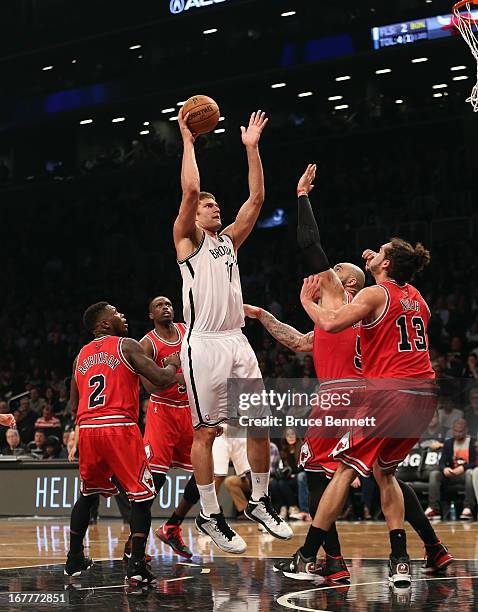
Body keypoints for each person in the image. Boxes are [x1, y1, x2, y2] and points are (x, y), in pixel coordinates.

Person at [247, 165, 452, 583]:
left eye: (337, 272)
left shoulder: (353, 298)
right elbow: (303, 341)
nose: (331, 273)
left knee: (329, 471)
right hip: (412, 390)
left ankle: (322, 558)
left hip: (354, 394)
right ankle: (427, 549)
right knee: (383, 473)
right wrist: (264, 315)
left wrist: (302, 196)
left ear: (347, 284)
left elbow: (311, 247)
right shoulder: (409, 299)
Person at [173, 107, 292, 553]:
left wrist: (252, 149)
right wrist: (188, 140)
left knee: (259, 424)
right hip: (202, 343)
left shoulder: (227, 243)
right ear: (194, 215)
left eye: (215, 203)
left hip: (237, 340)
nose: (214, 206)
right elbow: (188, 189)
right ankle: (208, 514)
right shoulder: (187, 240)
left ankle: (259, 502)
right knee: (207, 433)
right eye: (208, 204)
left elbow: (256, 201)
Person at [296, 236, 437, 588]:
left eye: (382, 250)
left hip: (391, 394)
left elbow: (328, 325)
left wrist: (306, 303)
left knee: (344, 470)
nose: (373, 251)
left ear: (387, 264)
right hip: (425, 395)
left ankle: (308, 554)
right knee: (385, 474)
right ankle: (400, 560)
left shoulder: (373, 295)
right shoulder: (418, 299)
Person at [63, 301, 180, 586]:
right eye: (116, 313)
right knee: (141, 496)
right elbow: (162, 380)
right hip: (120, 427)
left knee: (88, 495)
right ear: (104, 324)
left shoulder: (80, 357)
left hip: (88, 429)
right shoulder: (126, 345)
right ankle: (137, 566)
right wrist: (174, 363)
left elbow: (72, 404)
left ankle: (74, 557)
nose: (123, 316)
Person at [139, 295, 199, 559]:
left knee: (206, 472)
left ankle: (172, 525)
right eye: (159, 306)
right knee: (157, 478)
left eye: (169, 305)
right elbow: (151, 386)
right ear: (151, 314)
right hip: (161, 411)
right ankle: (135, 540)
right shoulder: (147, 344)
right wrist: (176, 370)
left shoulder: (188, 331)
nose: (166, 308)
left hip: (189, 410)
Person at [425, 419, 476, 521]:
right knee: (434, 474)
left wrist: (463, 468)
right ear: (452, 430)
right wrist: (445, 469)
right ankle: (434, 509)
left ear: (466, 430)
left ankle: (468, 508)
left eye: (460, 431)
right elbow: (442, 461)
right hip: (451, 474)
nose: (458, 433)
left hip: (465, 473)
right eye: (456, 431)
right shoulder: (448, 443)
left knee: (470, 473)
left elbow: (475, 462)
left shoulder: (473, 442)